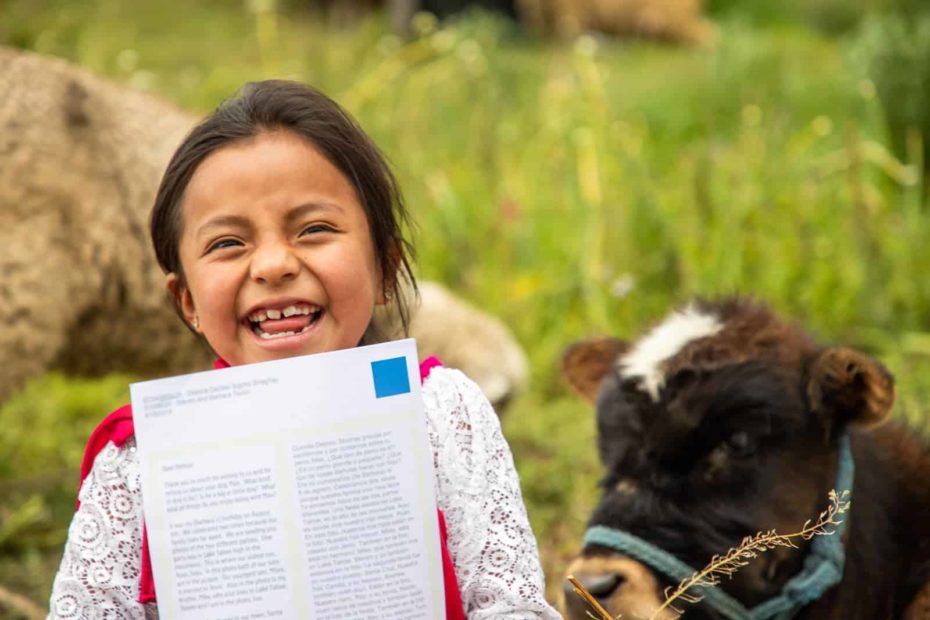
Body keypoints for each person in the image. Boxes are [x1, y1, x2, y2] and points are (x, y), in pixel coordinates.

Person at [47, 80, 562, 619]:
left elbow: (509, 606)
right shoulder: (136, 460)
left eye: (314, 229)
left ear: (384, 268)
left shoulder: (442, 414)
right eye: (227, 243)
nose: (272, 264)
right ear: (187, 301)